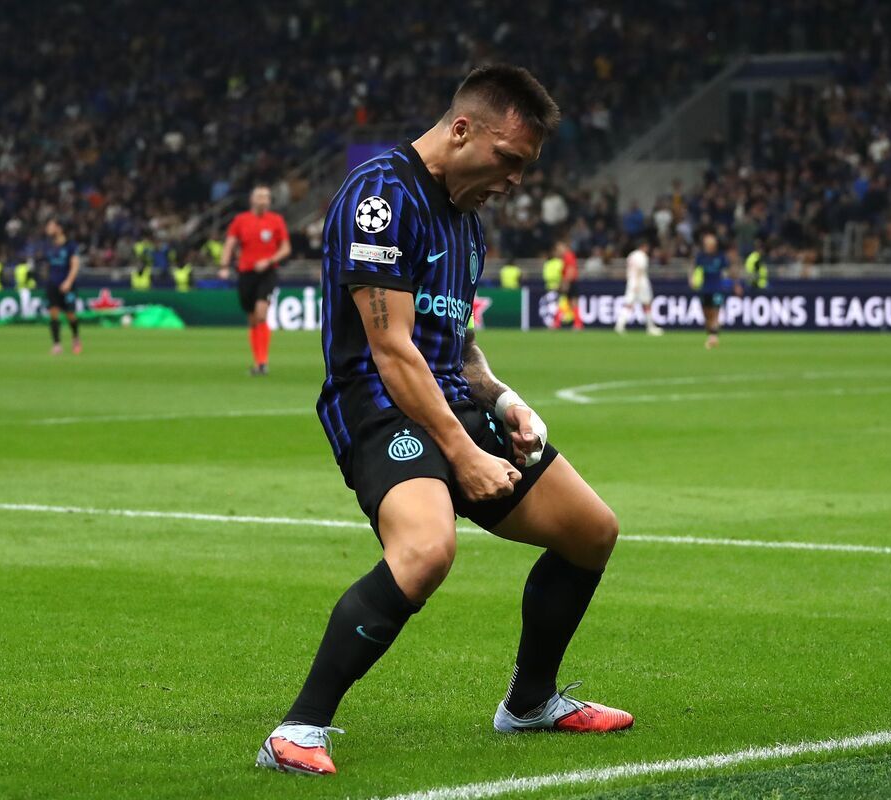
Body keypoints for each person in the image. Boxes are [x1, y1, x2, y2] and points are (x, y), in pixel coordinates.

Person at [257, 64, 631, 779]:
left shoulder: (466, 222)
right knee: (426, 550)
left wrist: (503, 401)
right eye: (510, 159)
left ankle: (529, 703)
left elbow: (452, 341)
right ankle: (297, 728)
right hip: (378, 403)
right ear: (462, 130)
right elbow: (391, 349)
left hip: (449, 400)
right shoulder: (380, 198)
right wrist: (462, 454)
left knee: (591, 532)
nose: (517, 178)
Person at [219, 186, 291, 376]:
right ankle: (258, 362)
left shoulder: (276, 221)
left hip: (267, 273)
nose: (263, 200)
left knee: (261, 314)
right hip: (246, 274)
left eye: (266, 197)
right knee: (252, 320)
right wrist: (224, 266)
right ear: (252, 199)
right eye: (259, 196)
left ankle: (262, 363)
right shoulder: (240, 221)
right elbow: (230, 244)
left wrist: (269, 260)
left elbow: (285, 248)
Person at [691, 232, 742, 349]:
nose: (708, 246)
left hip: (717, 288)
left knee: (715, 312)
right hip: (705, 289)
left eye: (710, 244)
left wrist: (736, 285)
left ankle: (713, 337)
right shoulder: (701, 257)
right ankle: (712, 334)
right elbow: (694, 268)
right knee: (706, 314)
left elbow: (730, 271)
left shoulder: (720, 257)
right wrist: (692, 278)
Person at [43, 219, 82, 355]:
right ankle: (57, 344)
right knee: (53, 313)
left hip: (67, 284)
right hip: (52, 284)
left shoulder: (70, 246)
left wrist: (69, 282)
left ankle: (76, 337)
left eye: (51, 226)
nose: (48, 229)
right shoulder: (48, 246)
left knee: (70, 314)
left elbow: (75, 265)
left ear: (59, 228)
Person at [614, 240, 662, 335]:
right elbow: (639, 270)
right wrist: (637, 284)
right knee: (646, 304)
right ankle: (650, 327)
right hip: (640, 282)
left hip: (631, 281)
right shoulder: (642, 256)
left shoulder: (631, 255)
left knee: (628, 304)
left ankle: (619, 325)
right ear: (643, 246)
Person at [558, 241, 583, 330]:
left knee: (571, 303)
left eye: (560, 248)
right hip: (570, 282)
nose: (559, 250)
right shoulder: (566, 257)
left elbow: (571, 269)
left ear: (565, 247)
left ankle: (578, 324)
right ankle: (577, 324)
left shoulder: (568, 256)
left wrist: (566, 282)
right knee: (568, 303)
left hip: (571, 282)